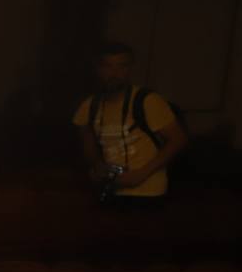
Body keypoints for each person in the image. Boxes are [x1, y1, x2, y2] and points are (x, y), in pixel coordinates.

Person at [73, 41, 187, 204]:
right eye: (108, 67)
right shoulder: (89, 106)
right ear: (98, 69)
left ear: (130, 69)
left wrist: (141, 174)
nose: (115, 73)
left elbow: (178, 140)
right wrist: (97, 166)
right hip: (109, 191)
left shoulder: (148, 101)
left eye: (122, 66)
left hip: (148, 193)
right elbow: (88, 144)